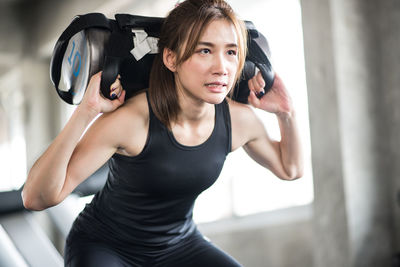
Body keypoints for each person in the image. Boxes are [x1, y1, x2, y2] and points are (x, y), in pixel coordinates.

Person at [22, 0, 303, 266]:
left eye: (231, 52)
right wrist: (85, 112)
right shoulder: (131, 120)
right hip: (106, 247)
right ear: (171, 57)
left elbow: (289, 169)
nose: (222, 68)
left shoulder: (238, 120)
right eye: (204, 51)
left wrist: (285, 113)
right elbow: (36, 198)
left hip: (180, 245)